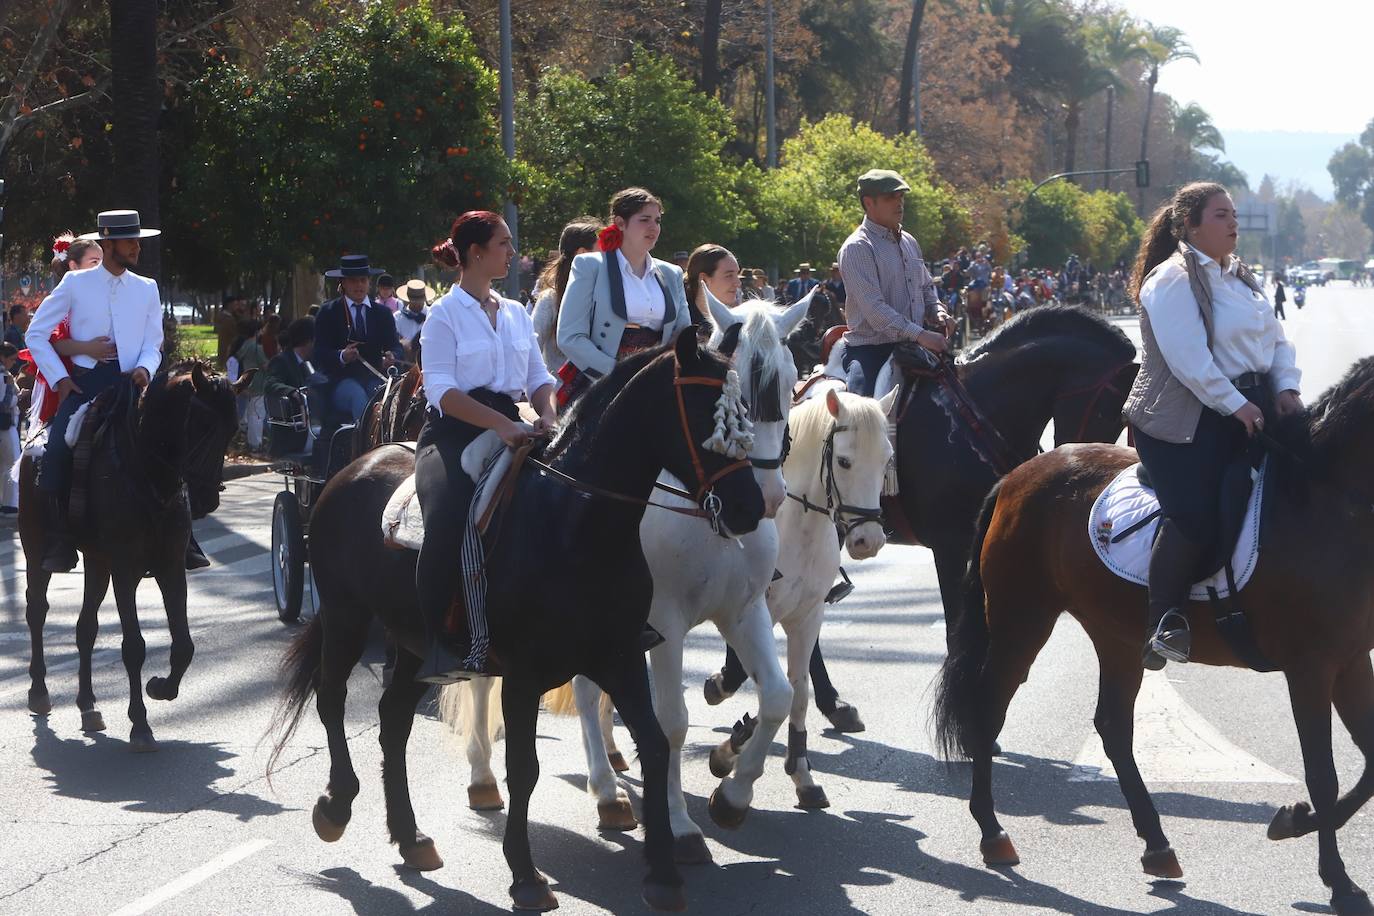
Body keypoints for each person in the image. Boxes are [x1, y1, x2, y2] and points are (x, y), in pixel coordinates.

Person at [1122, 181, 1302, 669]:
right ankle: (1164, 621)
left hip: (1253, 404)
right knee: (1195, 516)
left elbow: (1276, 340)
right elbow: (1188, 360)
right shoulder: (1171, 279)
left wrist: (1286, 388)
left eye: (1234, 214)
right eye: (1221, 215)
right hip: (1184, 419)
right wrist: (1234, 405)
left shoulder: (1242, 277)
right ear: (1189, 226)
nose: (1234, 223)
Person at [415, 211, 557, 684]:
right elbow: (441, 390)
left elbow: (539, 378)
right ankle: (436, 641)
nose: (512, 252)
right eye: (504, 244)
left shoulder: (516, 311)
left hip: (516, 424)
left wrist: (549, 417)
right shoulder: (443, 314)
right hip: (455, 433)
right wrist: (499, 424)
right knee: (447, 515)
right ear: (476, 253)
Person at [26, 210, 165, 572]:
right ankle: (60, 536)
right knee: (57, 448)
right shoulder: (75, 284)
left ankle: (179, 538)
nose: (136, 246)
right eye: (129, 240)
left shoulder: (146, 287)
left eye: (138, 240)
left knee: (168, 444)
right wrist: (60, 379)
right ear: (108, 243)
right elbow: (35, 334)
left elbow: (154, 343)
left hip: (132, 387)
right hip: (87, 387)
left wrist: (145, 368)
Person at [554, 187, 692, 406]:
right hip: (600, 382)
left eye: (657, 220)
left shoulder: (671, 273)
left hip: (656, 385)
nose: (653, 227)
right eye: (644, 219)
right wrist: (618, 374)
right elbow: (569, 337)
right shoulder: (589, 266)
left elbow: (683, 332)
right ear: (620, 223)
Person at [837, 169, 952, 396]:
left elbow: (926, 287)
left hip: (915, 347)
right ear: (869, 203)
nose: (899, 203)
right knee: (863, 413)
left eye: (901, 197)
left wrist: (937, 311)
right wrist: (921, 335)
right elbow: (876, 311)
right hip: (872, 350)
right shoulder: (857, 248)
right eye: (891, 198)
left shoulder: (909, 241)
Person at [313, 254, 402, 422]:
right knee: (358, 396)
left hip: (375, 377)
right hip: (340, 380)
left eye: (363, 280)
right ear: (343, 283)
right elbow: (318, 355)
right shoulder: (328, 312)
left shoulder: (382, 314)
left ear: (369, 282)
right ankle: (365, 446)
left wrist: (393, 356)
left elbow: (396, 347)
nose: (359, 285)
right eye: (353, 280)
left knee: (382, 397)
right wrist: (341, 356)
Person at [531, 217, 600, 376]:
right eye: (603, 250)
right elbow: (531, 350)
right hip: (560, 396)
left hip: (600, 394)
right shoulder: (550, 299)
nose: (610, 257)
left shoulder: (606, 297)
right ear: (582, 254)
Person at [264, 317, 317, 457]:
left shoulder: (311, 362)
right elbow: (270, 383)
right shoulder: (281, 361)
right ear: (308, 341)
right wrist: (293, 392)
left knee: (343, 432)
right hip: (295, 433)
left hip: (315, 424)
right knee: (333, 439)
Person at [684, 244, 743, 323]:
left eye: (737, 274)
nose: (738, 283)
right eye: (729, 275)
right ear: (704, 280)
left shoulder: (739, 321)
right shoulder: (681, 323)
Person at [0, 343, 19, 515]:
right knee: (12, 462)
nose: (14, 363)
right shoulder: (4, 376)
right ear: (3, 357)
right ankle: (10, 504)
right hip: (6, 424)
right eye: (12, 359)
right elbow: (4, 404)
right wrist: (18, 397)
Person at [394, 279, 433, 358]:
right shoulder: (397, 317)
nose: (416, 303)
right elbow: (393, 342)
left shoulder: (433, 315)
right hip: (405, 362)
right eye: (414, 300)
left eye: (419, 300)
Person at [215, 294, 247, 369]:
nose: (237, 307)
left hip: (226, 350)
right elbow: (235, 334)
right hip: (228, 350)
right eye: (235, 304)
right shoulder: (228, 319)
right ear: (229, 305)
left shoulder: (226, 317)